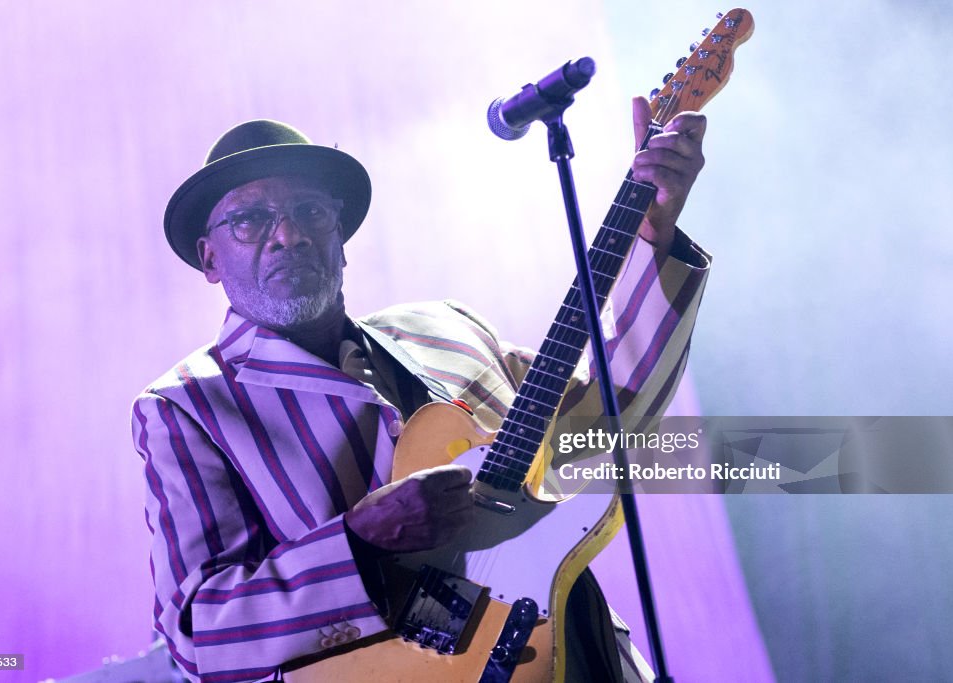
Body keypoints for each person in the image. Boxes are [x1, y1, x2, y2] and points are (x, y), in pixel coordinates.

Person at [132, 96, 710, 683]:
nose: (288, 235)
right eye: (249, 220)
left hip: (582, 652)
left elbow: (607, 416)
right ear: (209, 257)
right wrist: (359, 540)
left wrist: (651, 238)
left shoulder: (446, 329)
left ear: (340, 233)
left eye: (310, 211)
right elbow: (198, 634)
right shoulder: (186, 406)